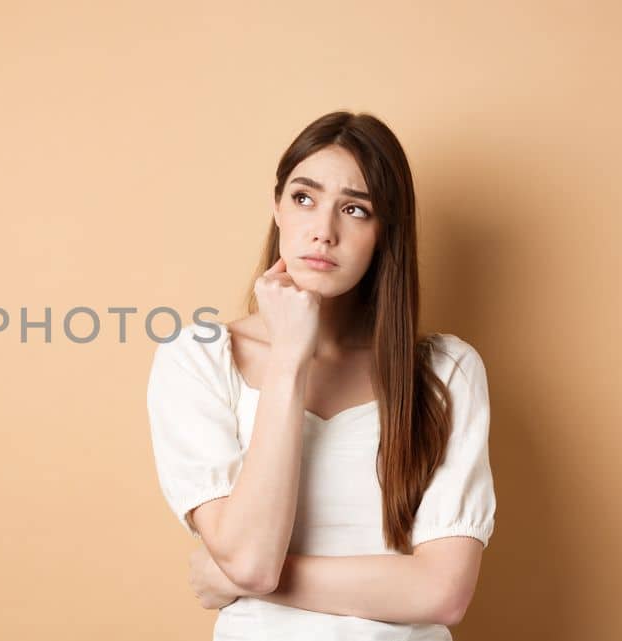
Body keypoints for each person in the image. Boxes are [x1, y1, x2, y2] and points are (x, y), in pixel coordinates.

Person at [146, 110, 497, 640]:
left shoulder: (445, 372)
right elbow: (251, 558)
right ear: (277, 207)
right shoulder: (197, 359)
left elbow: (443, 593)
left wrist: (233, 576)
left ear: (385, 233)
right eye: (304, 198)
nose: (323, 232)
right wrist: (289, 357)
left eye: (355, 209)